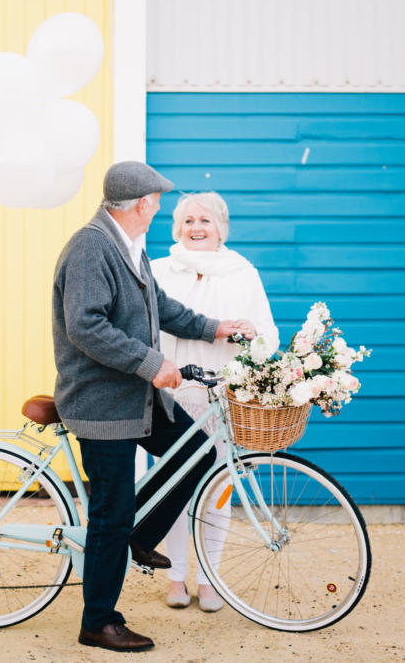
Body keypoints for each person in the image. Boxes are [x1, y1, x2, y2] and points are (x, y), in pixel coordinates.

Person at [53, 162, 248, 653]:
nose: (161, 207)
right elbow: (85, 326)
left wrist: (213, 327)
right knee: (109, 516)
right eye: (157, 201)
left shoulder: (127, 246)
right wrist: (151, 362)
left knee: (198, 455)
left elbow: (160, 306)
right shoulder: (91, 246)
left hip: (137, 396)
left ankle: (141, 534)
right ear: (141, 204)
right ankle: (98, 621)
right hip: (103, 404)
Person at [151, 191, 279, 612]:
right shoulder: (158, 270)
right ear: (177, 227)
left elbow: (267, 336)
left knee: (217, 488)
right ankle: (176, 576)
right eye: (188, 221)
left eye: (205, 220)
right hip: (170, 394)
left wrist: (248, 333)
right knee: (172, 488)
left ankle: (209, 579)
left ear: (221, 227)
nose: (197, 228)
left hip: (219, 397)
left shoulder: (241, 272)